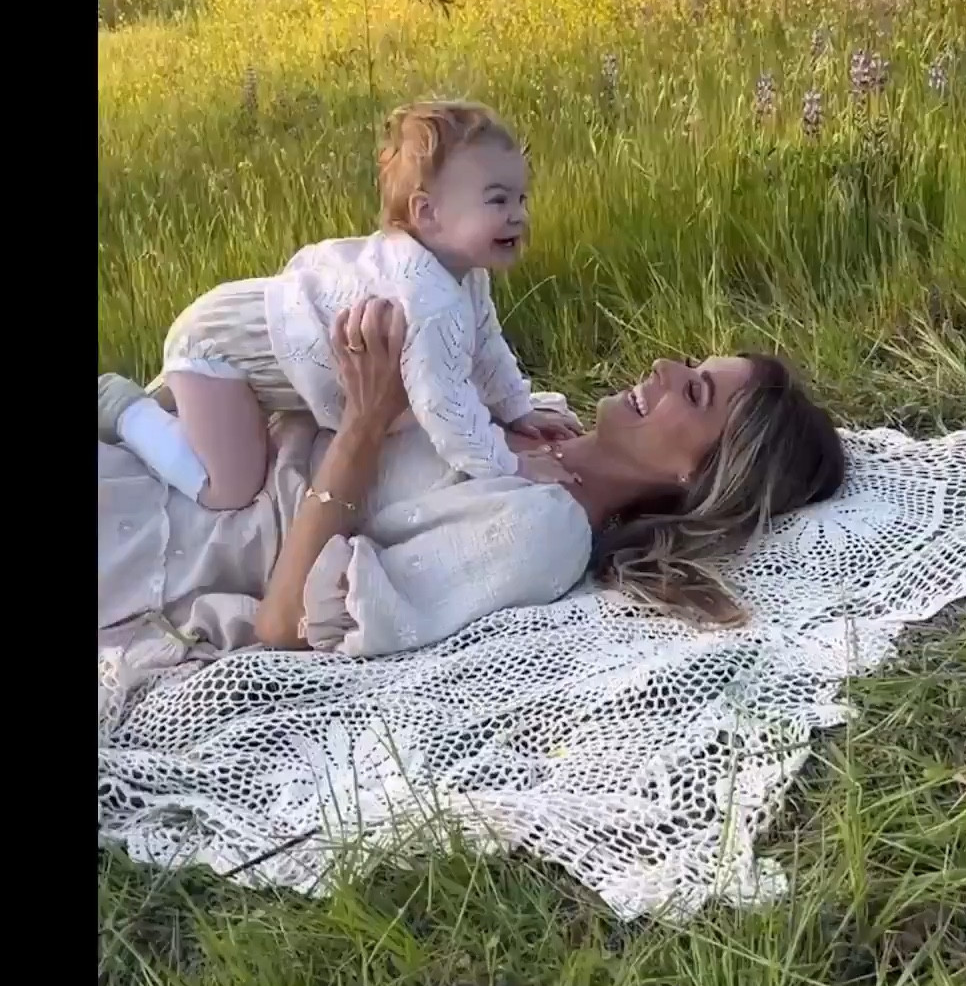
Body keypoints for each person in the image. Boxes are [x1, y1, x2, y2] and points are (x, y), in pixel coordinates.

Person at [98, 300, 846, 684]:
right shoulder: (535, 420)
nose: (657, 366)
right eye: (685, 361)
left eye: (694, 390)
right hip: (151, 453)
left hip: (161, 542)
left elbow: (284, 620)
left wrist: (365, 422)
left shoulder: (543, 534)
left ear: (700, 476)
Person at [97, 100, 581, 514]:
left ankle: (168, 400)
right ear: (426, 213)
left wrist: (516, 410)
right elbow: (445, 405)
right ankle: (123, 408)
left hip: (239, 328)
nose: (518, 214)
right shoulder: (426, 298)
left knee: (214, 423)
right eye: (497, 201)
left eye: (521, 198)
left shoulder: (462, 272)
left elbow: (485, 347)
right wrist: (509, 464)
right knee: (232, 488)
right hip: (221, 346)